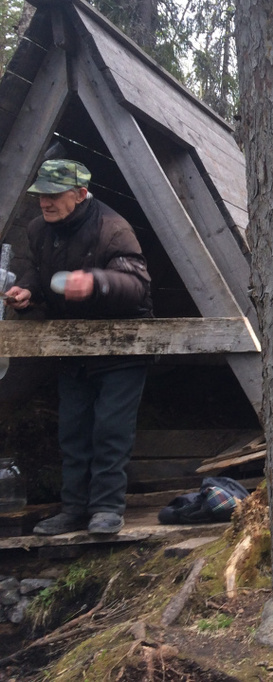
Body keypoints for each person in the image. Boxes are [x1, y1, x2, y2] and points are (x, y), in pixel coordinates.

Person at [5, 160, 153, 535]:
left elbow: (136, 284)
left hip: (121, 350)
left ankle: (106, 509)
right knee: (72, 431)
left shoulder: (113, 229)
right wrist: (28, 291)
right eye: (41, 195)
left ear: (81, 194)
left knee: (109, 431)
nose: (45, 203)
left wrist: (94, 282)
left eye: (54, 195)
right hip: (72, 349)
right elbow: (39, 272)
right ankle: (73, 509)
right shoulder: (39, 230)